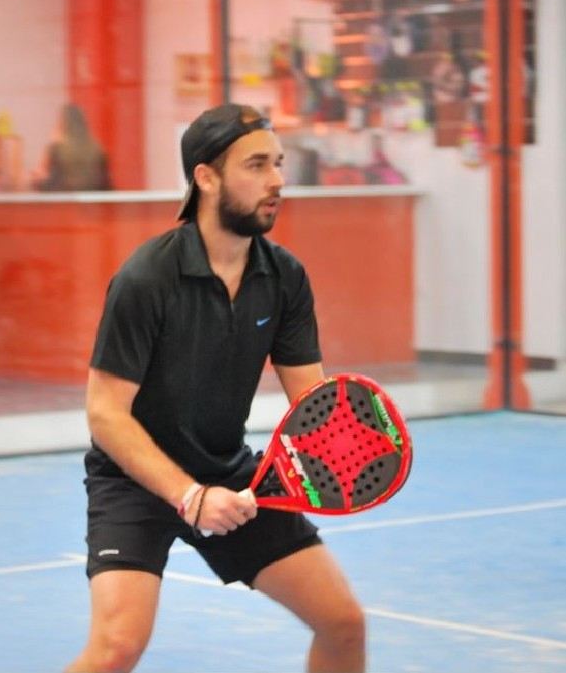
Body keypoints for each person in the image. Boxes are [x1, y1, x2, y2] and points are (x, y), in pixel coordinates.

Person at [65, 104, 366, 673]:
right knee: (115, 650)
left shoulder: (285, 277)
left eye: (278, 163)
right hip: (133, 483)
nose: (276, 180)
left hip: (230, 474)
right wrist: (189, 496)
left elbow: (313, 405)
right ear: (206, 177)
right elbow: (105, 414)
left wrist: (341, 447)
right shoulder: (145, 279)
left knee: (344, 625)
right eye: (256, 165)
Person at [31, 103, 111, 192]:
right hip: (92, 199)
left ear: (62, 125)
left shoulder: (58, 150)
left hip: (66, 199)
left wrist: (37, 181)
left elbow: (53, 186)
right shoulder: (97, 151)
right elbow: (106, 185)